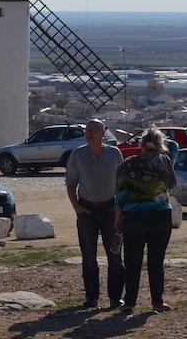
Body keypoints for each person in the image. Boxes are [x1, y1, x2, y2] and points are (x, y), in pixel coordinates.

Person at [115, 127, 178, 313]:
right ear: (160, 145)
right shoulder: (165, 161)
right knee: (156, 262)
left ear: (140, 145)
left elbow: (121, 194)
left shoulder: (130, 164)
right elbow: (174, 146)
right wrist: (159, 145)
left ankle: (129, 302)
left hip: (134, 217)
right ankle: (157, 301)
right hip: (160, 217)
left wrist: (118, 218)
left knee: (133, 261)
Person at [64, 119, 124, 309]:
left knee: (114, 255)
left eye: (94, 130)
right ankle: (91, 297)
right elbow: (71, 184)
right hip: (87, 211)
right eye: (87, 130)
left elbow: (122, 184)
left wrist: (119, 208)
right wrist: (77, 208)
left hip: (110, 211)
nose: (89, 133)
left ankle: (115, 297)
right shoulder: (77, 155)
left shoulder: (114, 154)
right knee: (89, 256)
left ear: (103, 132)